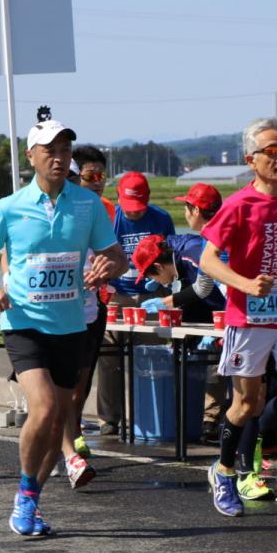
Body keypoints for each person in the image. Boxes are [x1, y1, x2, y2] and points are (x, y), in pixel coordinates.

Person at [0, 110, 125, 535]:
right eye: (50, 150)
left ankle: (31, 499)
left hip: (71, 324)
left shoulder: (88, 205)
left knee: (59, 418)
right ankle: (23, 493)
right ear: (31, 157)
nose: (59, 157)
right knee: (46, 407)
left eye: (65, 149)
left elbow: (117, 256)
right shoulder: (11, 207)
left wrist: (106, 267)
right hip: (23, 322)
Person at [199, 116, 277, 521]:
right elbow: (207, 261)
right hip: (248, 315)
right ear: (251, 159)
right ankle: (223, 472)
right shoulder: (238, 205)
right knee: (247, 403)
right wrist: (245, 283)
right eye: (271, 151)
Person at [94, 171, 175, 435]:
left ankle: (150, 414)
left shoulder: (161, 218)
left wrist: (165, 290)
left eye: (139, 208)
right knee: (109, 356)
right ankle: (109, 418)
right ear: (118, 198)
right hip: (118, 295)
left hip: (153, 296)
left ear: (148, 198)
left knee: (152, 356)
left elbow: (172, 256)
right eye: (129, 209)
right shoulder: (110, 219)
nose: (134, 214)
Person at [56, 146, 118, 488]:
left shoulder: (103, 209)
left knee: (80, 385)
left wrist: (107, 268)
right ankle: (67, 449)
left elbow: (116, 256)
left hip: (92, 305)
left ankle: (69, 437)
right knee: (60, 390)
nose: (95, 183)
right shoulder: (47, 207)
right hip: (53, 310)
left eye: (100, 177)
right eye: (88, 177)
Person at [167, 184, 228, 441]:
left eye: (186, 206)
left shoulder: (210, 239)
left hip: (234, 313)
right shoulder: (216, 232)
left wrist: (166, 301)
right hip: (239, 311)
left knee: (248, 386)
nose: (185, 212)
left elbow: (205, 288)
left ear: (195, 210)